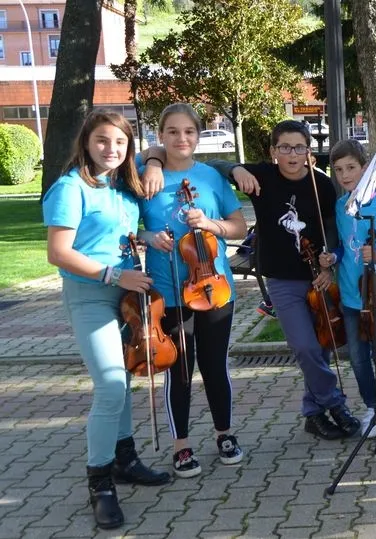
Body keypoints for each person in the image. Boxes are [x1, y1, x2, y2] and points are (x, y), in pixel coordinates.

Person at [145, 120, 362, 442]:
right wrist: (236, 170)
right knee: (304, 346)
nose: (292, 154)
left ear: (308, 151)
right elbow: (213, 164)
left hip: (318, 276)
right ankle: (335, 403)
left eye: (299, 147)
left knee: (321, 344)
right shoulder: (262, 176)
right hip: (281, 278)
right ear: (273, 151)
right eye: (284, 147)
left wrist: (330, 261)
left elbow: (331, 227)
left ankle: (313, 414)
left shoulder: (321, 183)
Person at [43, 109, 170, 530]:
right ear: (85, 142)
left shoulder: (123, 184)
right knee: (111, 384)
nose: (110, 149)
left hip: (128, 299)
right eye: (101, 141)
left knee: (124, 380)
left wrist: (153, 238)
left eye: (119, 142)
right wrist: (115, 274)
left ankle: (125, 458)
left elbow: (122, 236)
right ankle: (100, 483)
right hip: (90, 296)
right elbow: (59, 253)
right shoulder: (70, 187)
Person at [136, 103, 248, 478]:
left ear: (198, 136)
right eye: (172, 131)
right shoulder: (143, 175)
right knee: (179, 369)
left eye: (189, 132)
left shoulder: (211, 178)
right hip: (168, 290)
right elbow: (127, 226)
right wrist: (148, 235)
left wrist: (211, 224)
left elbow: (239, 228)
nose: (181, 138)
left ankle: (224, 434)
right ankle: (181, 445)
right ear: (160, 135)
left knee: (215, 366)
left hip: (215, 289)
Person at [317, 139, 376, 441]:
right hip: (352, 297)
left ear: (366, 168)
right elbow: (342, 246)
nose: (344, 175)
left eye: (351, 167)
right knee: (357, 356)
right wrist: (333, 257)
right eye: (338, 170)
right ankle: (371, 408)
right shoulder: (341, 207)